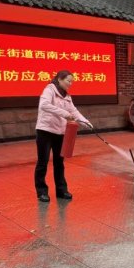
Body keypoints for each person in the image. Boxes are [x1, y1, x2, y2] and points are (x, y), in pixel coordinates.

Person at [35, 70, 92, 202]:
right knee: (43, 162)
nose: (70, 84)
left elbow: (74, 111)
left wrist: (86, 122)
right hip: (45, 131)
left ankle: (61, 190)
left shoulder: (67, 96)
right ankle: (41, 192)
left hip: (60, 132)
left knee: (59, 163)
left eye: (72, 82)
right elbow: (44, 105)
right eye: (68, 81)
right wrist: (64, 114)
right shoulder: (49, 90)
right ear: (60, 79)